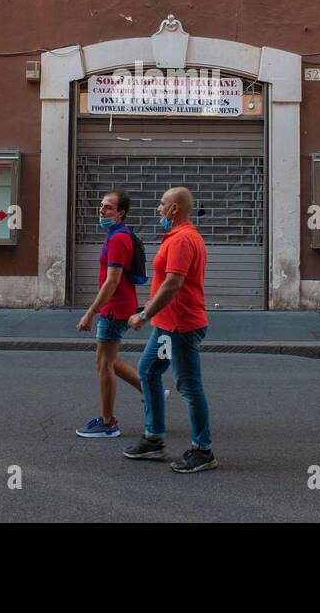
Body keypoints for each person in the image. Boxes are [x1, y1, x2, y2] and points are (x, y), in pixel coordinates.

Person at [123, 186, 217, 473]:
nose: (158, 209)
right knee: (149, 372)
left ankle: (203, 450)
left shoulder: (182, 239)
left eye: (162, 204)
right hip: (166, 326)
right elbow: (168, 282)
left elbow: (173, 284)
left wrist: (144, 314)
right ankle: (154, 439)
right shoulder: (178, 236)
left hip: (180, 326)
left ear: (175, 209)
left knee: (189, 387)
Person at [75, 189, 143, 438]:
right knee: (107, 361)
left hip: (114, 308)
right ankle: (151, 393)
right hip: (116, 305)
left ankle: (108, 423)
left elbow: (112, 281)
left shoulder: (117, 239)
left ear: (120, 213)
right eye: (102, 206)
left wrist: (90, 312)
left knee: (104, 364)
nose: (102, 210)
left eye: (108, 208)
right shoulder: (116, 234)